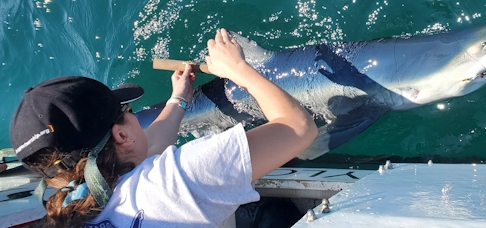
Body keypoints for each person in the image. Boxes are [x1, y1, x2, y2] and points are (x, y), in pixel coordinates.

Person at [9, 28, 318, 227]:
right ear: (120, 135)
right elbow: (299, 128)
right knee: (272, 211)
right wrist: (239, 70)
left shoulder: (66, 210)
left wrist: (179, 99)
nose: (131, 115)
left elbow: (144, 160)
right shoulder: (180, 179)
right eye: (126, 110)